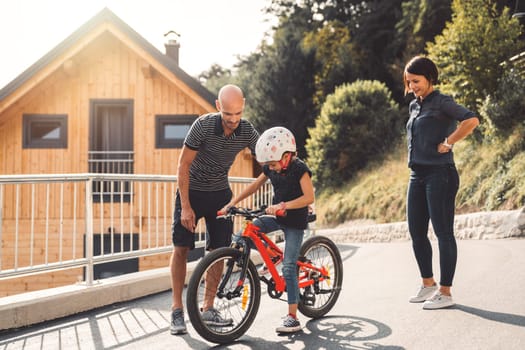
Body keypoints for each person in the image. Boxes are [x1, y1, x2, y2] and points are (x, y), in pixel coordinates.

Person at [169, 84, 259, 335]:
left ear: (243, 107)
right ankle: (177, 310)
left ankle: (207, 308)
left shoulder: (247, 130)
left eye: (238, 113)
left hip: (220, 195)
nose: (233, 120)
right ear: (218, 106)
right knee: (181, 248)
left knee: (219, 250)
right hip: (192, 192)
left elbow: (266, 157)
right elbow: (183, 165)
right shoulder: (203, 126)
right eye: (228, 113)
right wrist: (186, 206)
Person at [219, 126, 315, 333]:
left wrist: (284, 206)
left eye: (273, 164)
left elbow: (309, 198)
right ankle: (272, 257)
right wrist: (231, 204)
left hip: (295, 221)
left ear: (287, 156)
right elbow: (254, 186)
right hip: (276, 217)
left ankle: (292, 317)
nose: (271, 168)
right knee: (246, 232)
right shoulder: (271, 168)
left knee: (289, 268)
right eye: (268, 165)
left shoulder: (300, 169)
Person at [403, 56, 479, 309]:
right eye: (409, 81)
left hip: (440, 174)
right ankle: (428, 284)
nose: (413, 86)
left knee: (443, 233)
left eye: (417, 81)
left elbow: (471, 120)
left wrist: (449, 142)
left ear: (429, 78)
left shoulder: (442, 102)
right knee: (416, 232)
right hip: (417, 174)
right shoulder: (415, 106)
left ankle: (445, 292)